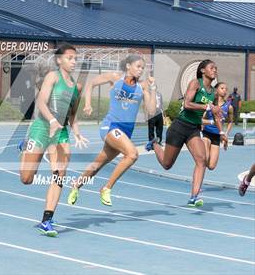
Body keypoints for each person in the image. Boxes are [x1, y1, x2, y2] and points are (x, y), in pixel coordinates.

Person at [67, 54, 156, 207]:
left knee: (97, 165)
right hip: (111, 126)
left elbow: (151, 111)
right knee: (132, 154)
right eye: (138, 66)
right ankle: (106, 188)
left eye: (143, 68)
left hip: (126, 132)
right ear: (128, 66)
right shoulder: (115, 78)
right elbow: (90, 84)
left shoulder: (143, 86)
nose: (141, 70)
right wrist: (87, 104)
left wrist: (153, 89)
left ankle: (76, 185)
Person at [19, 44, 88, 237]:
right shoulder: (52, 77)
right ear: (59, 60)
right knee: (26, 179)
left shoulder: (77, 87)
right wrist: (51, 120)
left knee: (60, 174)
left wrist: (77, 133)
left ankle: (47, 219)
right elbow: (41, 102)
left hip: (60, 133)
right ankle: (25, 147)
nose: (74, 62)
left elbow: (73, 115)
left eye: (75, 58)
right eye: (70, 58)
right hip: (42, 128)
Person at [146, 59, 226, 207]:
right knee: (166, 164)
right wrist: (208, 107)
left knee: (201, 160)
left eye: (216, 68)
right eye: (212, 68)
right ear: (203, 70)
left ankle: (194, 197)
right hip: (180, 126)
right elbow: (187, 104)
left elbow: (215, 114)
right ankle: (155, 144)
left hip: (193, 129)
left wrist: (222, 132)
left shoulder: (214, 92)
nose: (215, 70)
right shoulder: (195, 83)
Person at [201, 82, 233, 171]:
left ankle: (201, 159)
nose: (225, 91)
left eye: (226, 89)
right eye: (222, 88)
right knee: (204, 159)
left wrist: (226, 134)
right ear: (216, 90)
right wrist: (212, 122)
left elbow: (230, 121)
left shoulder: (229, 107)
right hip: (206, 134)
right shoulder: (210, 104)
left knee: (211, 166)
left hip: (217, 136)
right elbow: (201, 120)